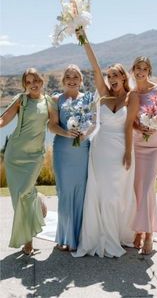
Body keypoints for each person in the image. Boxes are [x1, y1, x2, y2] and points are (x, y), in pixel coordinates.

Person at [71, 28, 139, 258]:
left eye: (115, 76)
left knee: (115, 193)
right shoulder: (103, 91)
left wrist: (128, 153)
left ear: (123, 77)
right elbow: (94, 64)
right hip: (100, 148)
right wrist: (84, 39)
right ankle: (100, 235)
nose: (111, 80)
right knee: (100, 191)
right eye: (109, 76)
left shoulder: (131, 97)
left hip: (120, 148)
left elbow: (129, 126)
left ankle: (116, 234)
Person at [0, 68, 53, 255]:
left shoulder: (49, 102)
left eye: (36, 80)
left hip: (34, 157)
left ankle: (38, 202)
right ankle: (28, 241)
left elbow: (54, 124)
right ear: (25, 85)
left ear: (42, 80)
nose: (33, 84)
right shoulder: (21, 100)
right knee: (19, 199)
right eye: (29, 82)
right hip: (15, 154)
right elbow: (3, 120)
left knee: (25, 193)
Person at [48, 64, 92, 252]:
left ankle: (79, 236)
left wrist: (84, 134)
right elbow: (52, 125)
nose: (72, 80)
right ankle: (64, 237)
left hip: (82, 150)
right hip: (63, 150)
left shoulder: (88, 98)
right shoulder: (56, 99)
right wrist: (67, 134)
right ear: (63, 80)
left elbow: (93, 123)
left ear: (81, 80)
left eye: (76, 77)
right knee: (64, 192)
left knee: (81, 192)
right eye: (68, 76)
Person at [131, 56, 157, 254]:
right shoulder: (131, 93)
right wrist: (139, 125)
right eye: (138, 68)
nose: (141, 71)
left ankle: (148, 234)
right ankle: (140, 229)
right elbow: (127, 120)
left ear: (149, 70)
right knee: (139, 190)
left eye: (145, 68)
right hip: (136, 145)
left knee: (147, 188)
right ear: (133, 70)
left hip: (155, 146)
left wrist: (156, 125)